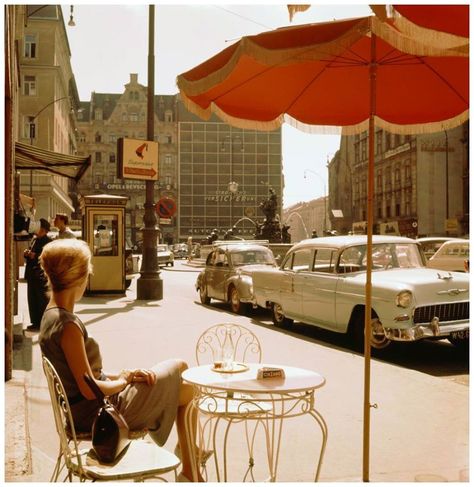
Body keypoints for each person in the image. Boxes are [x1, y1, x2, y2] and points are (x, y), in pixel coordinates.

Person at [38, 239, 205, 481]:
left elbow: (84, 376)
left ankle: (190, 463)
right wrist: (125, 380)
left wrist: (122, 375)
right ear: (81, 278)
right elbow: (89, 388)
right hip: (104, 415)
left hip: (92, 408)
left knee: (182, 374)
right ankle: (191, 463)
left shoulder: (50, 317)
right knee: (187, 384)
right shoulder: (68, 326)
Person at [24, 218, 52, 332]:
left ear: (44, 230)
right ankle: (35, 322)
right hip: (31, 273)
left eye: (39, 228)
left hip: (40, 275)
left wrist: (34, 256)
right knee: (32, 298)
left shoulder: (48, 241)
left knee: (41, 300)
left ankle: (42, 323)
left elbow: (46, 257)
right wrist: (27, 254)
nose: (37, 230)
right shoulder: (35, 239)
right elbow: (32, 252)